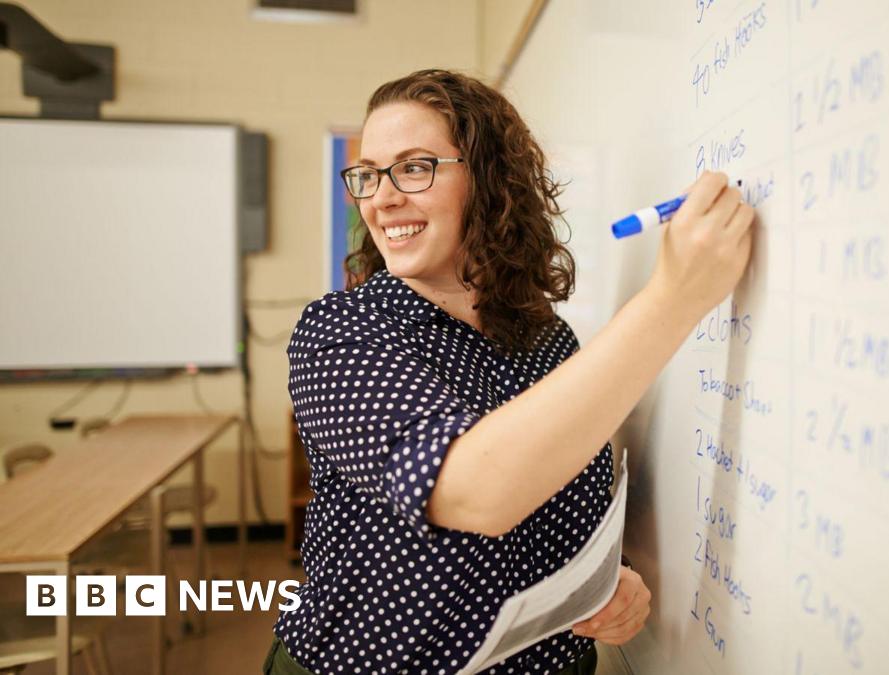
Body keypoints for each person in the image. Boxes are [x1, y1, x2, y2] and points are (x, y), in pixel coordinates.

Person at [264, 69, 754, 675]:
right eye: (367, 174)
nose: (381, 198)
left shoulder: (547, 339)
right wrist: (676, 297)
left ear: (491, 179)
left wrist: (610, 584)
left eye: (414, 167)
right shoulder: (342, 331)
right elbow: (477, 491)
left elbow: (561, 507)